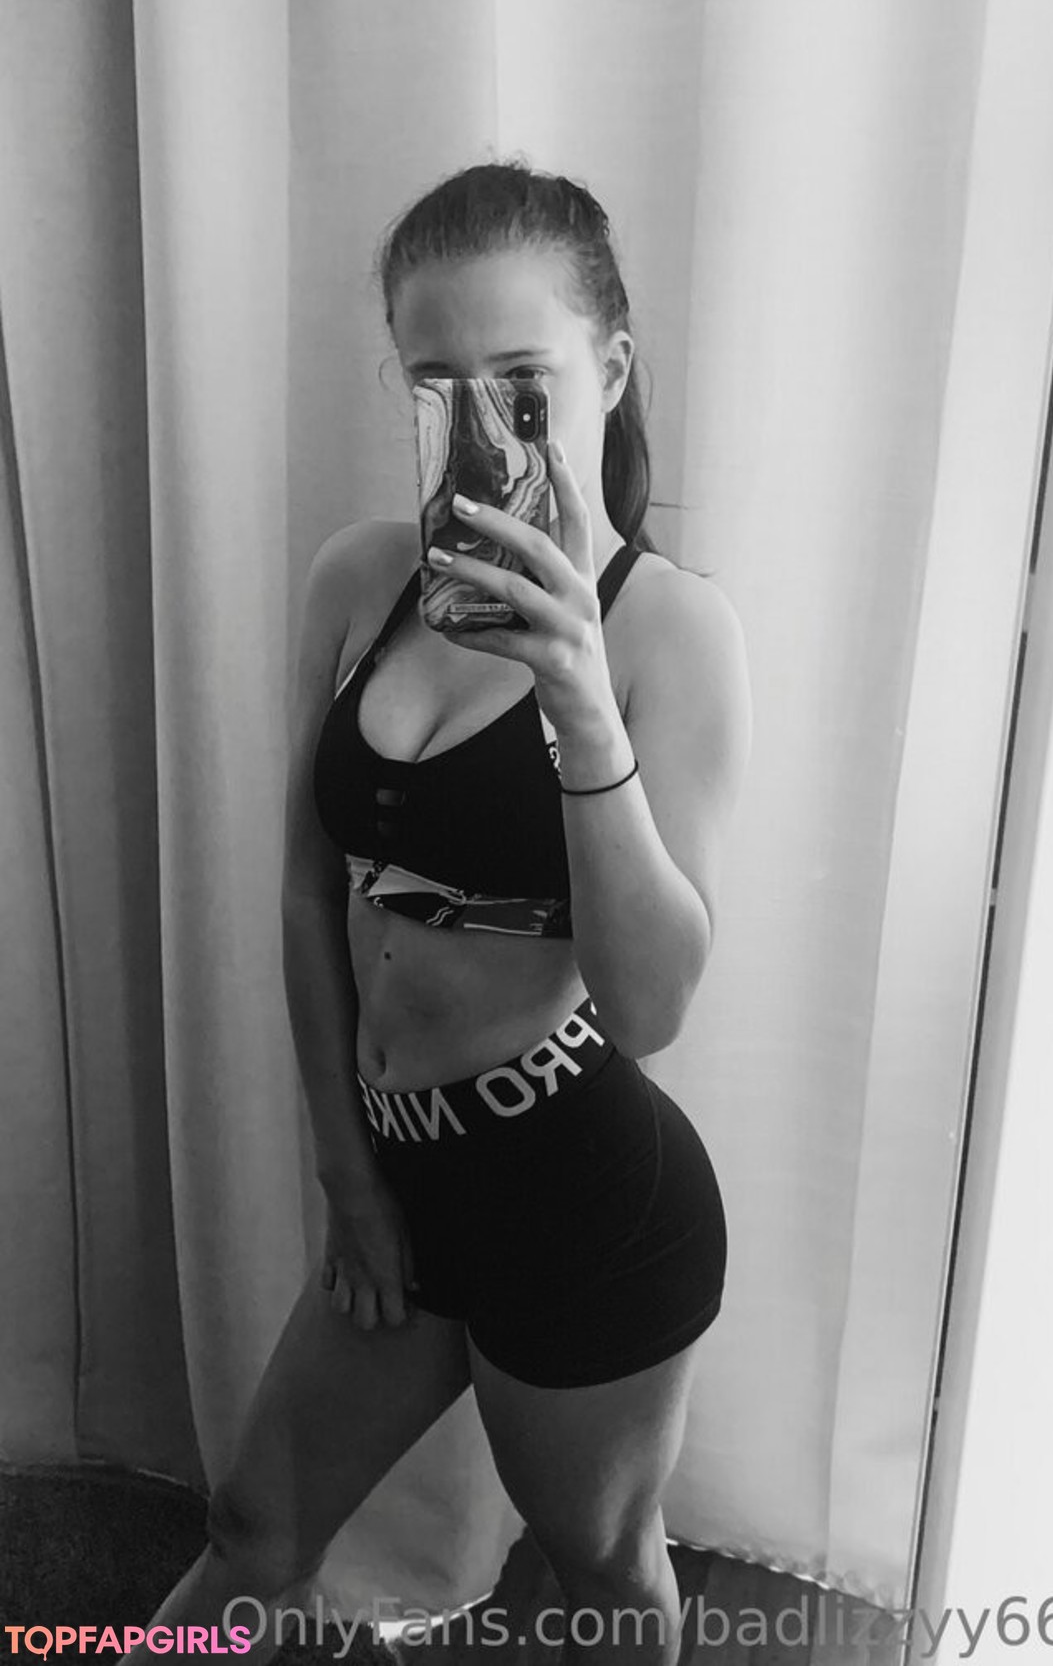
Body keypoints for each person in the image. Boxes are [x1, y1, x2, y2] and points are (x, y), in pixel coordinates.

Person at [126, 161, 752, 1666]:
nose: (482, 431)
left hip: (581, 1205)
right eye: (436, 388)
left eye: (523, 387)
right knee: (255, 1528)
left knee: (601, 1578)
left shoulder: (672, 632)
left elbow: (653, 1006)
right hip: (400, 1176)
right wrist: (346, 1174)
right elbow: (305, 888)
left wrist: (581, 702)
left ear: (609, 370)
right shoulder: (360, 581)